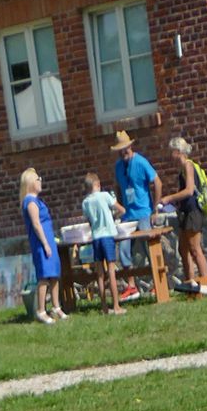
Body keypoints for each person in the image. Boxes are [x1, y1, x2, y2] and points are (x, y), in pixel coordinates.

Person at [163, 133, 207, 291]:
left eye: (172, 151)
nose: (170, 155)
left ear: (178, 151)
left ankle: (206, 283)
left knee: (194, 247)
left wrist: (169, 198)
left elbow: (190, 190)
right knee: (183, 248)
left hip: (193, 212)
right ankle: (190, 282)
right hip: (185, 212)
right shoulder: (182, 170)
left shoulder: (188, 166)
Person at [111, 128, 160, 283]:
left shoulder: (141, 162)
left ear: (130, 147)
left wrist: (155, 208)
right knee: (124, 250)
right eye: (120, 150)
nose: (123, 152)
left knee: (150, 248)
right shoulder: (118, 166)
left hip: (144, 212)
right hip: (128, 215)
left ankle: (156, 283)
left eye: (124, 149)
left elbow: (157, 182)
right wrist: (119, 207)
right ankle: (131, 285)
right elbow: (117, 186)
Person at [19, 168, 64, 324]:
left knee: (54, 274)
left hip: (49, 240)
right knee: (44, 276)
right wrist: (45, 243)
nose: (41, 181)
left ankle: (56, 307)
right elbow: (36, 224)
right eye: (38, 179)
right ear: (31, 183)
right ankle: (41, 310)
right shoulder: (30, 202)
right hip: (41, 243)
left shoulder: (38, 201)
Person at [81, 171, 125, 315]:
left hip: (96, 238)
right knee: (111, 272)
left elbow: (89, 221)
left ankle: (104, 307)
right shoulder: (105, 196)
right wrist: (114, 216)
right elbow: (121, 209)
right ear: (98, 184)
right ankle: (116, 306)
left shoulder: (85, 202)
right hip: (107, 236)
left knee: (99, 274)